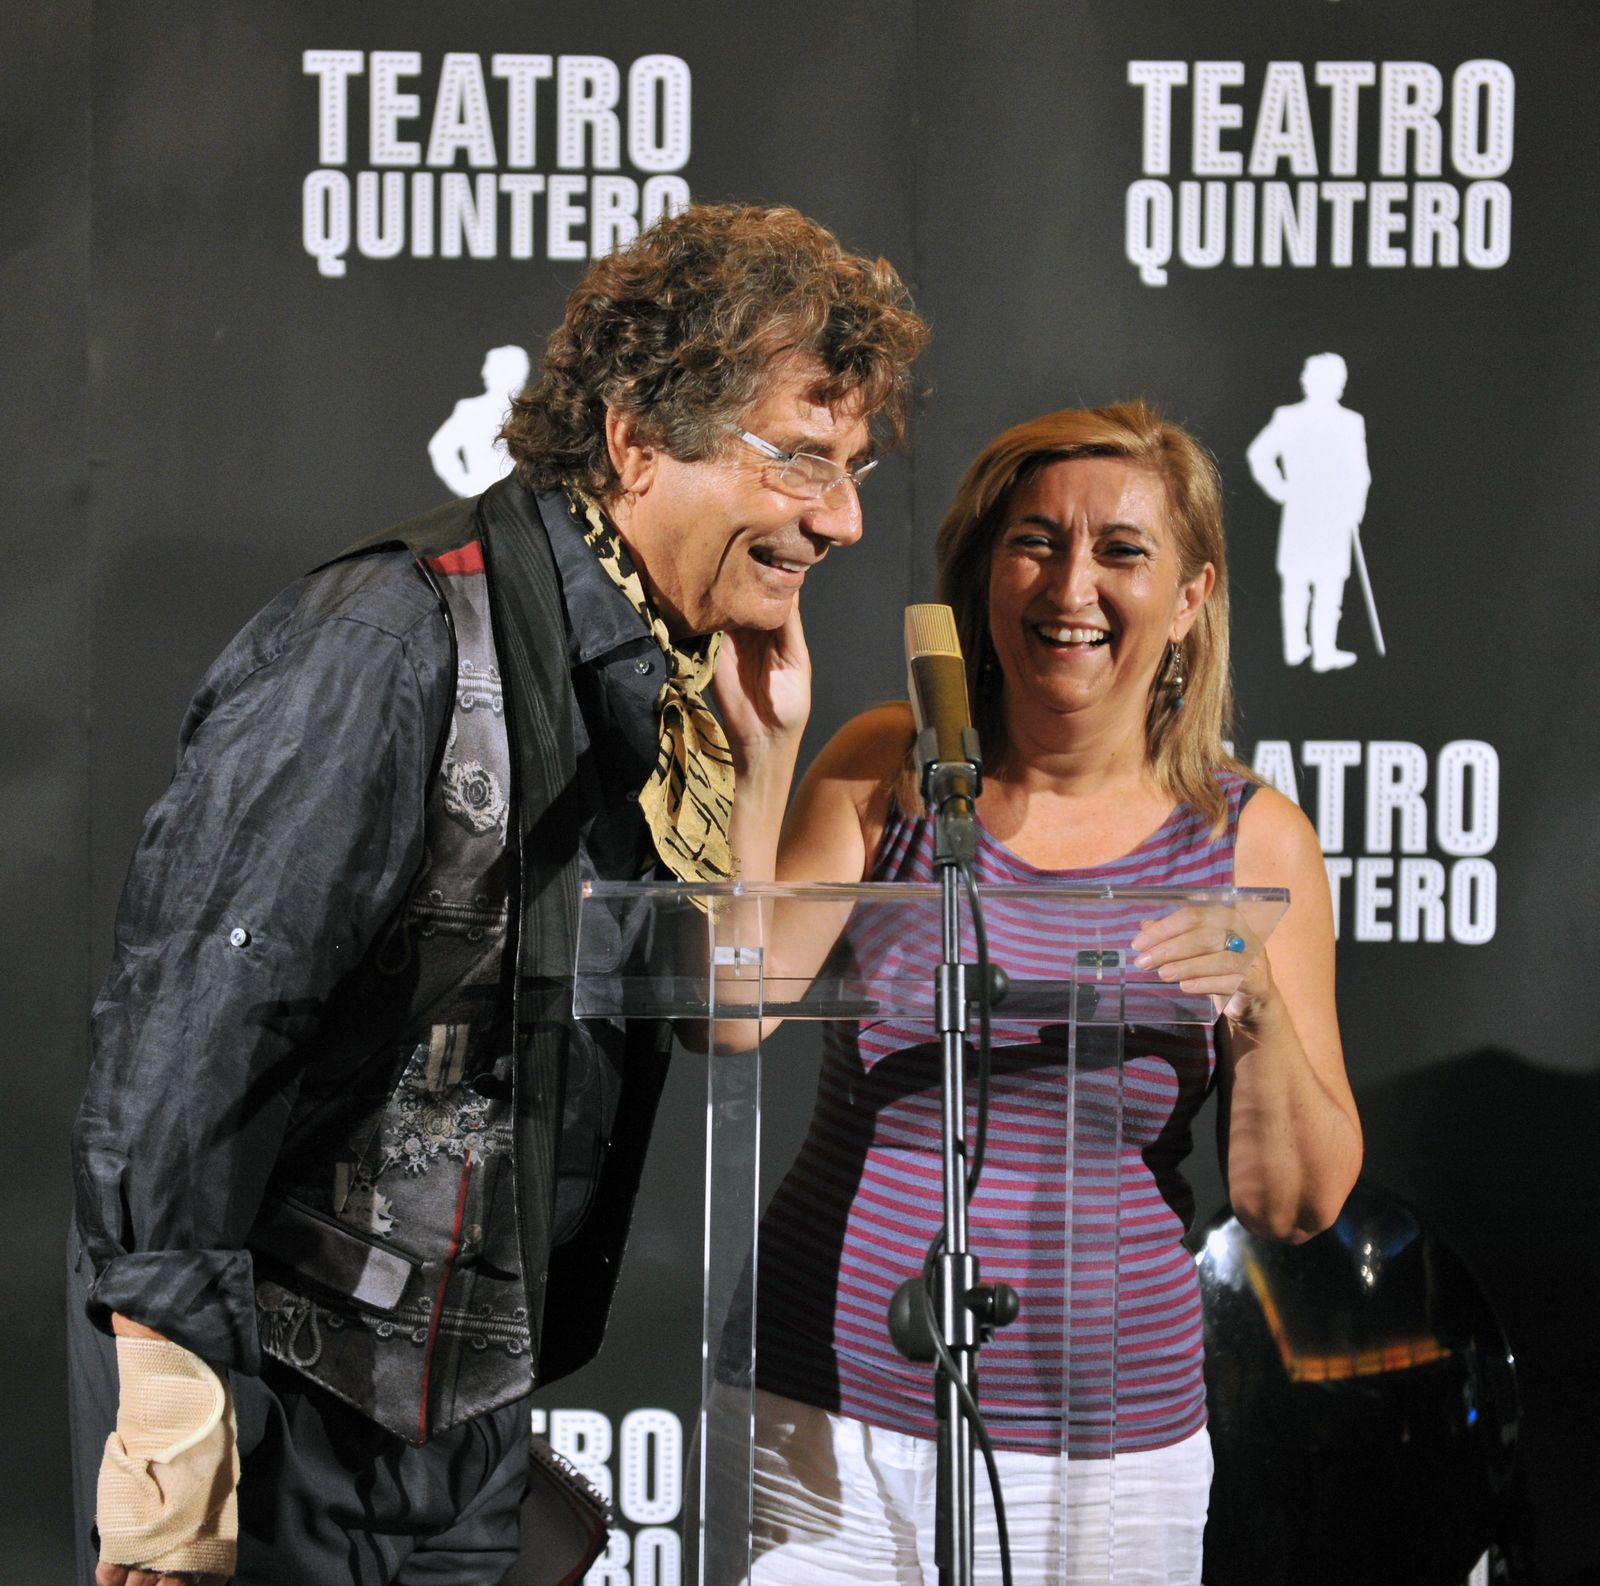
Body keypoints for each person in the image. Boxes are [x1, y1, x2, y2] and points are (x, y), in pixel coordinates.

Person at [68, 201, 927, 1586]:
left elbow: (718, 1005)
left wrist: (764, 754)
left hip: (463, 1437)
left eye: (856, 468)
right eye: (802, 462)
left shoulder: (661, 666)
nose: (842, 517)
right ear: (641, 439)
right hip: (284, 1432)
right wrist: (172, 1454)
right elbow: (187, 1047)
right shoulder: (391, 642)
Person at [716, 402, 1362, 1584]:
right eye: (1035, 541)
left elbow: (1294, 1203)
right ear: (983, 573)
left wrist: (1257, 1003)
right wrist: (766, 754)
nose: (1072, 585)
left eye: (1122, 550)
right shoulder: (883, 766)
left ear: (1191, 594)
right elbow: (731, 1003)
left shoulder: (1251, 838)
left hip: (1106, 1449)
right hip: (824, 1412)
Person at [1245, 352, 1372, 672]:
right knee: (1298, 583)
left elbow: (1360, 472)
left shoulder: (1350, 422)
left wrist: (1355, 507)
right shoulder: (1289, 417)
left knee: (1329, 585)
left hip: (1335, 515)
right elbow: (1260, 455)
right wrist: (1281, 489)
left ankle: (1324, 649)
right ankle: (1295, 647)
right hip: (1303, 512)